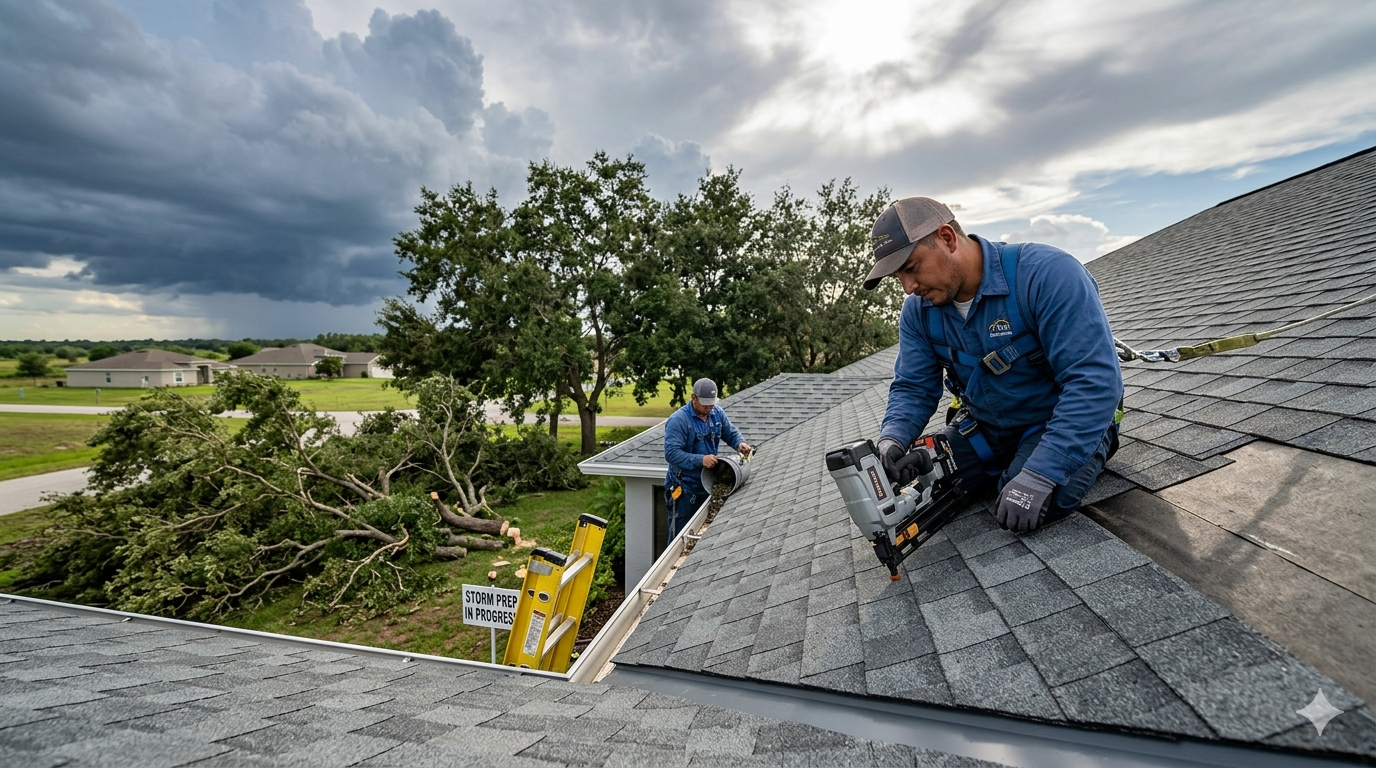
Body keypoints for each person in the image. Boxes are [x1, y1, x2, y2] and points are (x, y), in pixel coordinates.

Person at [865, 197, 1122, 532]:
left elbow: (1095, 381)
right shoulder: (918, 313)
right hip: (988, 427)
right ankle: (1001, 463)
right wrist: (893, 440)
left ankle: (1060, 456)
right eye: (899, 276)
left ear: (947, 238)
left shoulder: (1045, 275)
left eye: (911, 268)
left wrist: (1040, 473)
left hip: (1056, 422)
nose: (909, 288)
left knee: (1026, 503)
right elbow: (913, 387)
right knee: (930, 479)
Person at [663, 378, 753, 544]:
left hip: (708, 483)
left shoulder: (716, 414)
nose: (709, 408)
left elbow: (730, 432)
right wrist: (700, 460)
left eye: (711, 403)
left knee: (703, 534)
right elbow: (671, 453)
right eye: (705, 404)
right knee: (680, 538)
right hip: (684, 489)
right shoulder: (679, 421)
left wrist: (739, 443)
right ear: (693, 398)